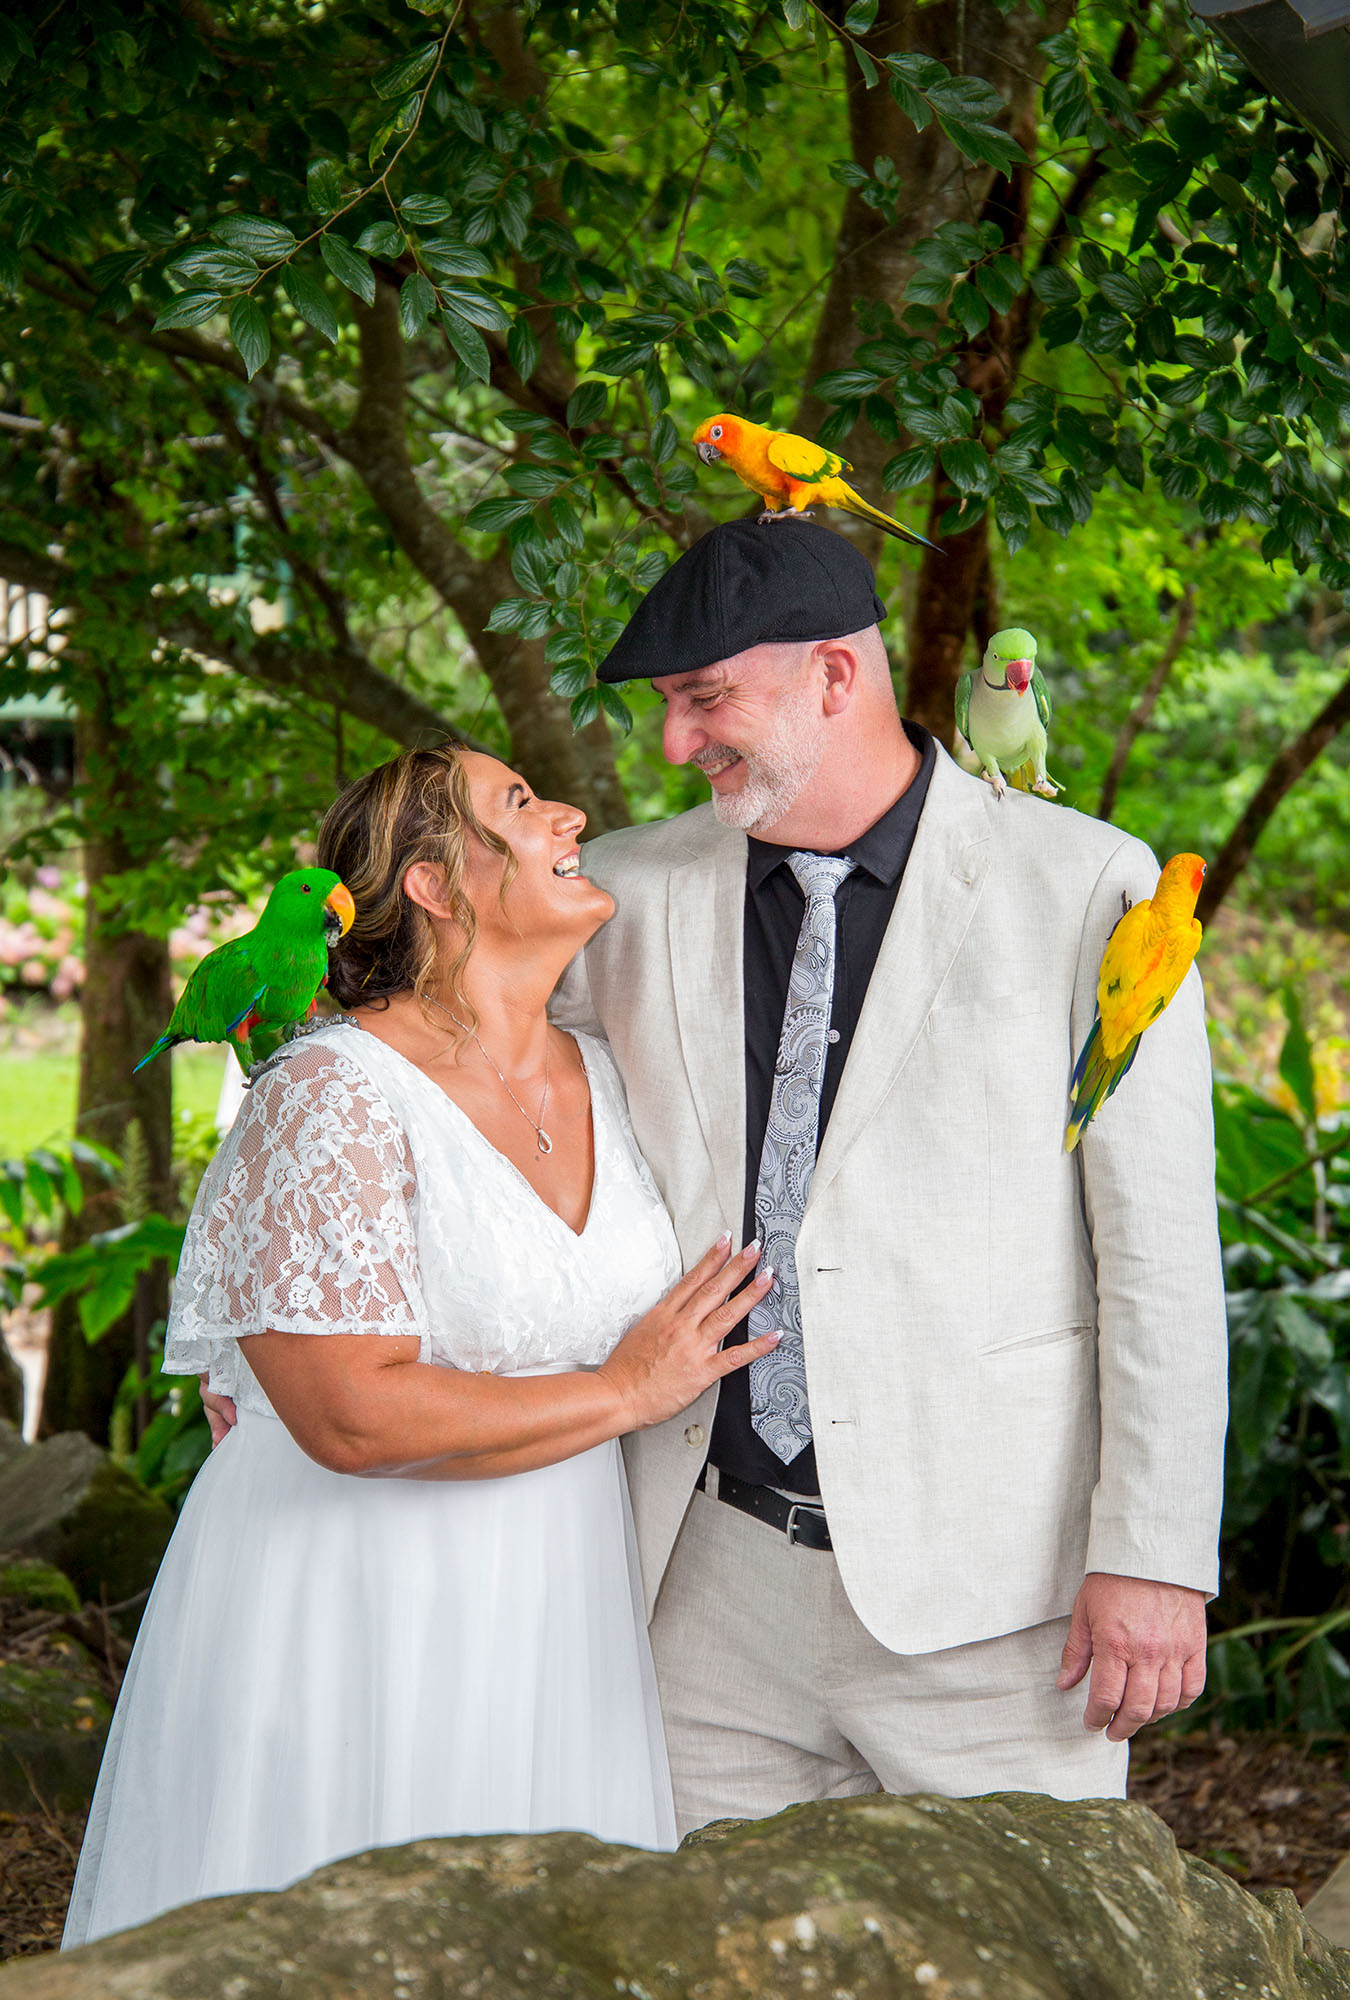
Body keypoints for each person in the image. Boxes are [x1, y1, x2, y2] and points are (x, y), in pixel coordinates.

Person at [548, 517, 1228, 1836]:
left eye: (705, 699)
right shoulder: (617, 892)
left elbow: (1156, 1251)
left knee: (1027, 1944)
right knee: (703, 1946)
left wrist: (1151, 1553)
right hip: (698, 1584)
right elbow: (453, 1096)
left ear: (833, 675)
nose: (676, 742)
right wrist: (265, 1340)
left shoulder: (1089, 884)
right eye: (667, 706)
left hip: (1001, 1603)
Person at [63, 744, 781, 1946]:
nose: (571, 814)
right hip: (359, 1602)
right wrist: (623, 1390)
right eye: (520, 804)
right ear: (436, 884)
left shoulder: (615, 1073)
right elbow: (351, 1411)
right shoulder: (329, 1090)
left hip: (557, 1606)